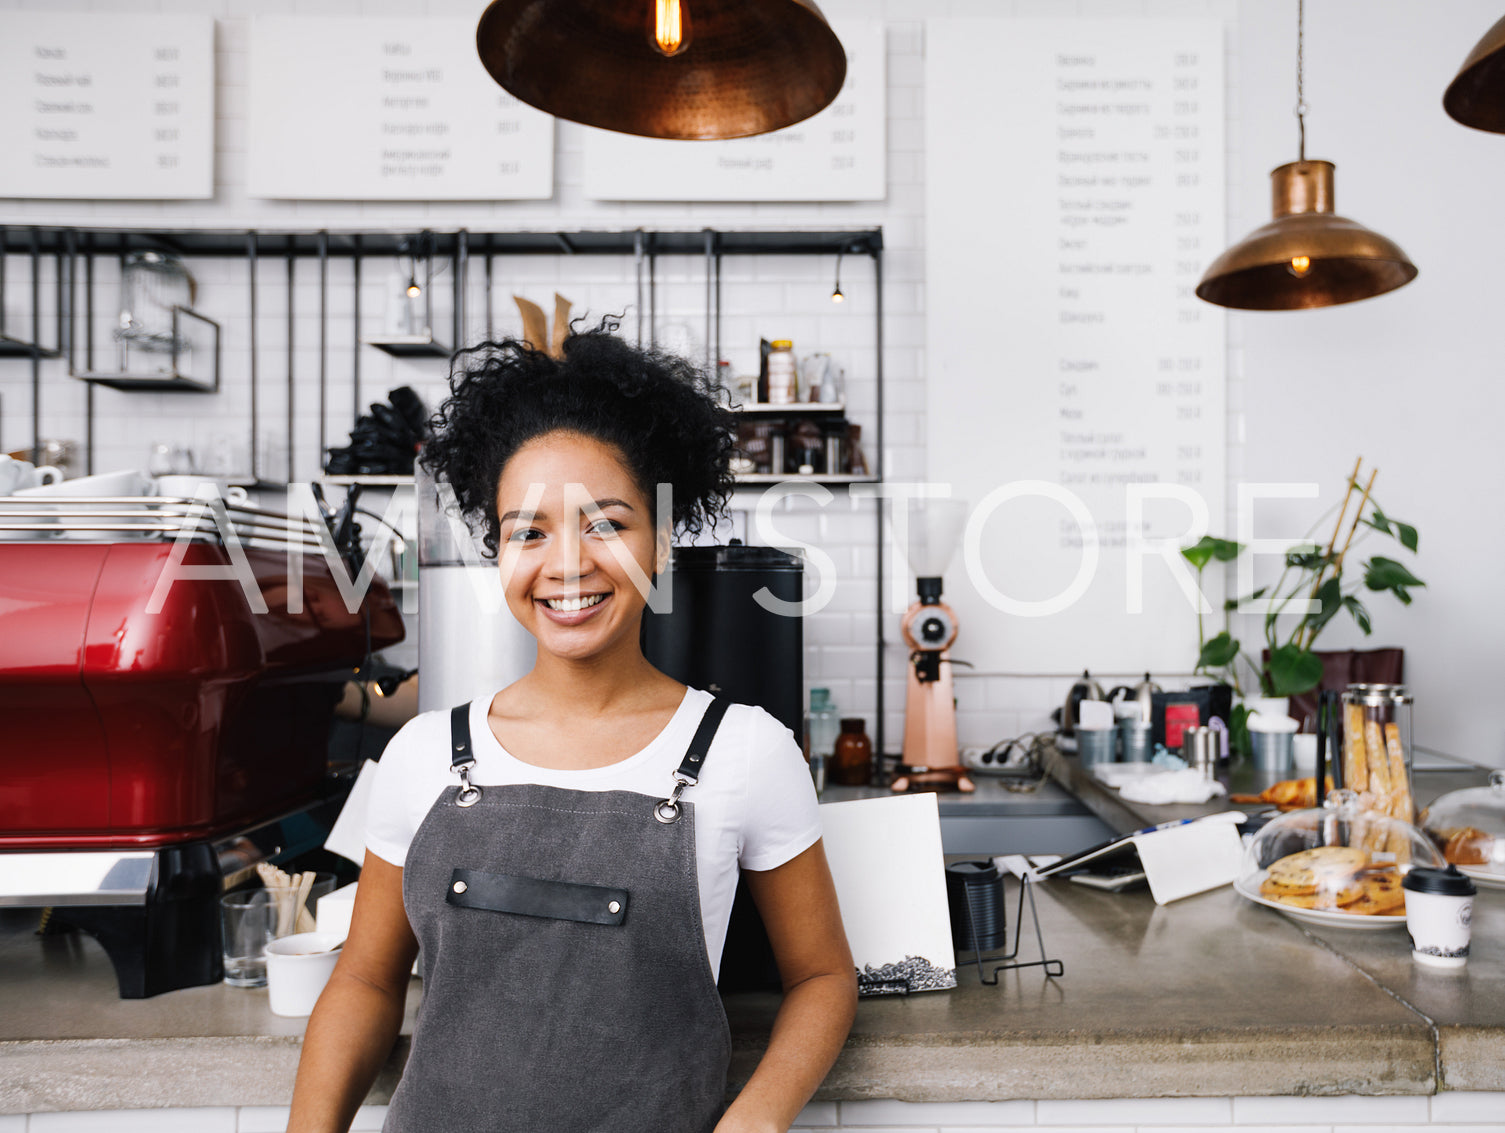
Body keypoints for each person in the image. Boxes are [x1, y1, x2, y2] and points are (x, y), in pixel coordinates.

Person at [286, 323, 856, 1133]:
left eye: (606, 523)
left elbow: (823, 975)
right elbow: (366, 982)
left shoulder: (744, 749)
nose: (566, 563)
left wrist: (753, 1120)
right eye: (528, 531)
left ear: (659, 542)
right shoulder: (424, 754)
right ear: (497, 554)